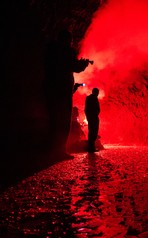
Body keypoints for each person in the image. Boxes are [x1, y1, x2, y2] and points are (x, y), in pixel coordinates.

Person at [43, 29, 91, 159]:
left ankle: (52, 150)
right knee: (64, 120)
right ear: (67, 40)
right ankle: (60, 151)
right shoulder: (66, 51)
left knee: (54, 120)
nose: (71, 43)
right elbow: (74, 66)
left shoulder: (50, 51)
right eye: (70, 40)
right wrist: (84, 64)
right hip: (63, 90)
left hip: (50, 89)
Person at [85, 88, 100, 152]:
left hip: (92, 117)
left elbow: (86, 109)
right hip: (93, 117)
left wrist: (88, 117)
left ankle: (91, 147)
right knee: (93, 132)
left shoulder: (89, 98)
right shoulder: (93, 98)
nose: (98, 94)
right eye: (97, 92)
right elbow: (88, 109)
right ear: (95, 92)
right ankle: (91, 148)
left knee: (91, 132)